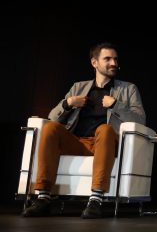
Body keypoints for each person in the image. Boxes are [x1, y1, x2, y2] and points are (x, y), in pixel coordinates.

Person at [22, 42, 146, 219]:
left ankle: (96, 199)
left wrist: (116, 105)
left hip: (104, 142)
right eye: (108, 59)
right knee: (50, 128)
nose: (113, 63)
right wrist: (68, 104)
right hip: (77, 141)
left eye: (115, 59)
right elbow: (52, 116)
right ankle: (43, 197)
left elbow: (140, 119)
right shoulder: (78, 87)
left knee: (104, 129)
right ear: (94, 62)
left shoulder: (128, 89)